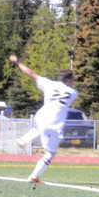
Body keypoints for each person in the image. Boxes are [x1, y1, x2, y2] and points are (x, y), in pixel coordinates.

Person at [11, 55, 78, 184]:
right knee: (50, 153)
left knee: (39, 127)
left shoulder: (48, 83)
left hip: (41, 116)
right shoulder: (73, 92)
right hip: (54, 124)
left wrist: (18, 62)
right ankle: (34, 176)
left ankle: (24, 139)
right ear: (69, 80)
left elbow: (30, 73)